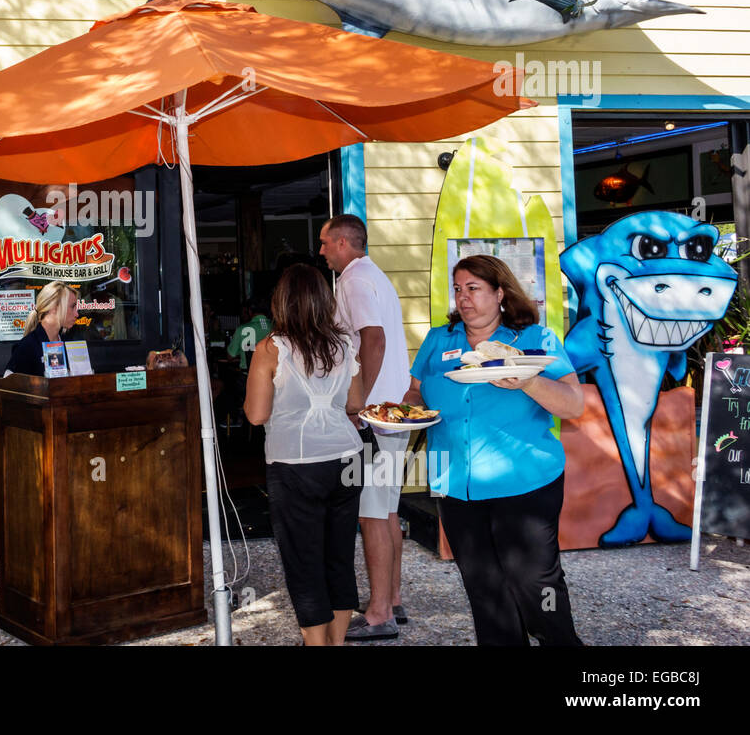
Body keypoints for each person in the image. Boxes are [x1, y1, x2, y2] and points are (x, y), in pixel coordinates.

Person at [405, 254, 584, 646]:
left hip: (525, 481)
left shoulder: (536, 340)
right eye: (458, 289)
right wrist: (408, 413)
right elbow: (416, 391)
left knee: (535, 583)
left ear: (500, 293)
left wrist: (527, 382)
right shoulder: (439, 340)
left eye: (473, 289)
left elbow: (574, 404)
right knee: (483, 585)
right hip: (454, 483)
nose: (463, 298)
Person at [244, 263, 365, 646]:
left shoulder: (271, 348)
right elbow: (356, 403)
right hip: (347, 457)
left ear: (282, 302)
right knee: (339, 557)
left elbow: (256, 413)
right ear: (323, 301)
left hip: (295, 464)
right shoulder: (344, 344)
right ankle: (337, 642)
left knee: (303, 561)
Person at [319, 214, 411, 641]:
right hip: (392, 413)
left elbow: (372, 338)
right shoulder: (374, 275)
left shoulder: (353, 280)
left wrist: (361, 403)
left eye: (324, 243)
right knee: (387, 510)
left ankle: (378, 615)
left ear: (341, 242)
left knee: (371, 515)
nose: (320, 251)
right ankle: (390, 599)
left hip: (375, 414)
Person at [4, 281, 79, 377]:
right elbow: (8, 387)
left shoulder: (69, 343)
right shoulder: (27, 347)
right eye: (72, 307)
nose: (77, 314)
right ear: (53, 308)